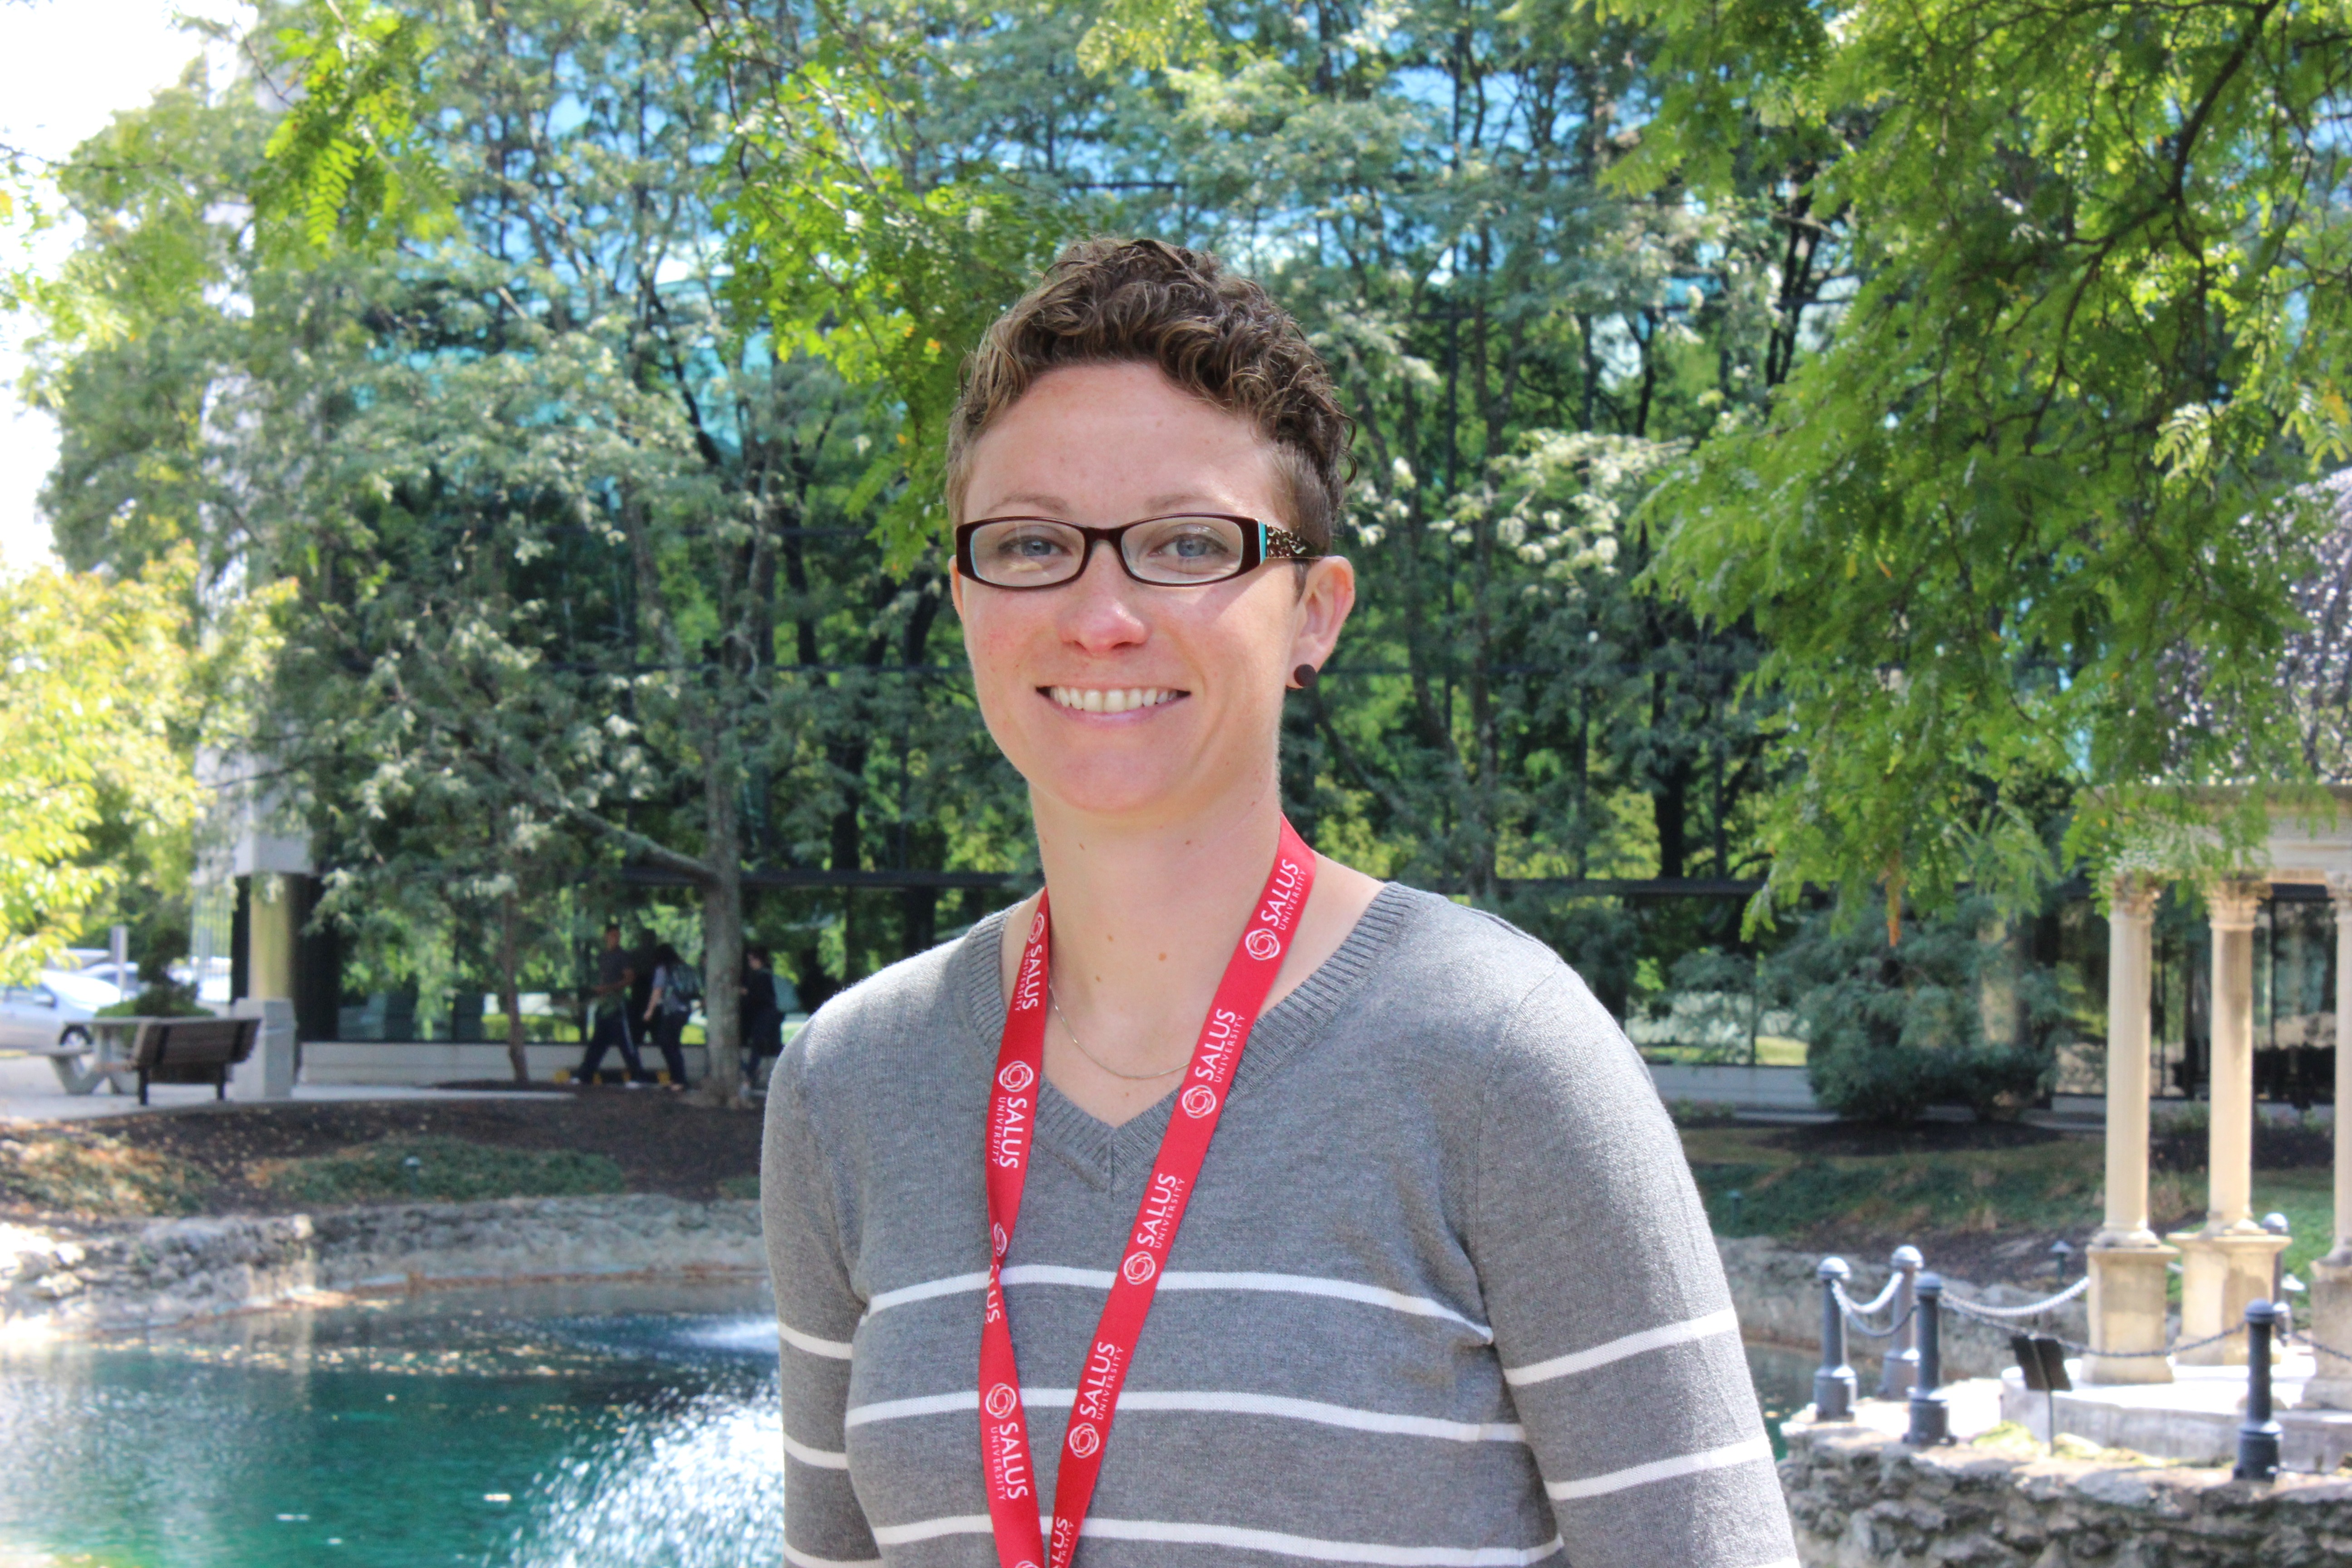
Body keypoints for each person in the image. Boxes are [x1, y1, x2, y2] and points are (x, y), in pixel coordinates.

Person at [763, 240, 1795, 1568]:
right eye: (1029, 544)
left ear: (1315, 613)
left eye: (1186, 543)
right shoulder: (848, 1085)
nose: (1101, 613)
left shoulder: (1504, 1057)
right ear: (965, 594)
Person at [576, 922, 642, 1087]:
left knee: (626, 1043)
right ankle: (585, 1075)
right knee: (597, 1043)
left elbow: (630, 978)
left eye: (618, 936)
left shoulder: (623, 956)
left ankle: (637, 1076)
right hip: (603, 1005)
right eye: (613, 936)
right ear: (606, 937)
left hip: (617, 1005)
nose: (616, 939)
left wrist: (610, 988)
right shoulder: (603, 956)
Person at [642, 941, 695, 1089]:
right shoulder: (684, 967)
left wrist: (650, 1011)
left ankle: (679, 1080)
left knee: (667, 1043)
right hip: (685, 1010)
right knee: (673, 1044)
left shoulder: (663, 969)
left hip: (671, 1011)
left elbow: (657, 991)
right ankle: (676, 1079)